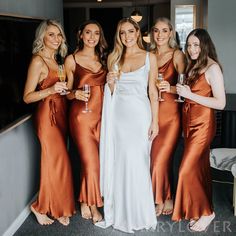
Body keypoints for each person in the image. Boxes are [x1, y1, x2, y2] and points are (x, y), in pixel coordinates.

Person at [96, 18, 159, 233]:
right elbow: (111, 92)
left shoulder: (150, 57)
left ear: (138, 32)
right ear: (119, 36)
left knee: (139, 162)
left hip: (140, 116)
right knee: (120, 162)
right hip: (118, 118)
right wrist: (110, 83)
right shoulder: (114, 58)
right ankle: (122, 212)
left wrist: (155, 121)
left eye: (130, 31)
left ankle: (140, 212)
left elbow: (153, 92)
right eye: (122, 33)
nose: (127, 36)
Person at [172, 28, 226, 231]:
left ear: (205, 45)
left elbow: (220, 103)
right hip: (190, 123)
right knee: (199, 168)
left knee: (185, 169)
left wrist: (190, 95)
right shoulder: (195, 65)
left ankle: (208, 213)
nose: (192, 49)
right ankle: (200, 209)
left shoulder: (213, 68)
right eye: (189, 45)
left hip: (203, 125)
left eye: (196, 45)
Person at [23, 19, 75, 226]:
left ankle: (56, 206)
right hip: (47, 116)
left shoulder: (58, 60)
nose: (56, 39)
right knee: (58, 161)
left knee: (56, 163)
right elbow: (27, 97)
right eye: (51, 34)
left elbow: (65, 88)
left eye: (59, 35)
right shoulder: (38, 60)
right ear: (42, 37)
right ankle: (40, 206)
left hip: (62, 113)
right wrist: (51, 90)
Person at [65, 20, 108, 223]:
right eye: (88, 33)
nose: (92, 37)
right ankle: (93, 205)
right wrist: (75, 93)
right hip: (81, 117)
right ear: (81, 35)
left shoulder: (106, 58)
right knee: (91, 162)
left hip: (104, 116)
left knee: (94, 160)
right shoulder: (71, 60)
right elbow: (67, 93)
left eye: (96, 33)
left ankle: (84, 199)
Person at [149, 17, 186, 216]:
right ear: (152, 34)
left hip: (171, 115)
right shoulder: (148, 55)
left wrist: (169, 87)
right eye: (156, 31)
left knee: (160, 159)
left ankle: (164, 198)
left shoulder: (177, 55)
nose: (160, 35)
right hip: (151, 112)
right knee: (151, 158)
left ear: (171, 33)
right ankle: (164, 196)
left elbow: (185, 88)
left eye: (164, 31)